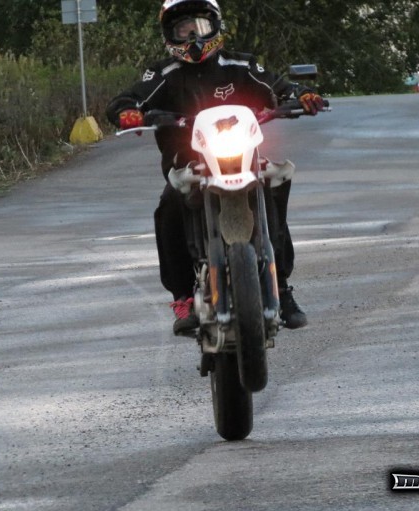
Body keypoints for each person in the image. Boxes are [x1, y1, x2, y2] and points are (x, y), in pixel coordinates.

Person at [106, 0, 326, 335]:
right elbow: (126, 99)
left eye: (200, 25)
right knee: (168, 205)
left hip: (242, 156)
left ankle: (280, 287)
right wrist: (127, 112)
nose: (192, 35)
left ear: (215, 26)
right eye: (183, 28)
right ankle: (182, 297)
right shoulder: (163, 74)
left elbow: (279, 86)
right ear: (169, 34)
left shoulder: (240, 65)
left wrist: (302, 94)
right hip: (188, 163)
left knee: (274, 182)